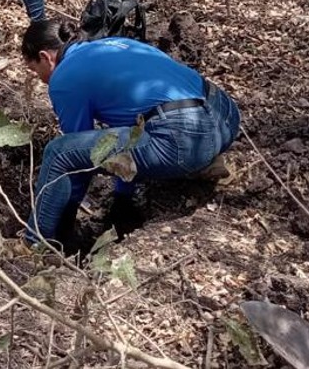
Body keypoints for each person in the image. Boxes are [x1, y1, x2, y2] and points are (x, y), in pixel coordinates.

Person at [20, 20, 241, 253]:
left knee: (58, 152)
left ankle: (33, 244)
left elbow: (76, 159)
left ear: (45, 57)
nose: (40, 79)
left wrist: (64, 220)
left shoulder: (64, 77)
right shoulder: (113, 45)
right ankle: (205, 159)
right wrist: (122, 199)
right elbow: (131, 125)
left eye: (35, 70)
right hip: (225, 116)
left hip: (182, 133)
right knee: (147, 130)